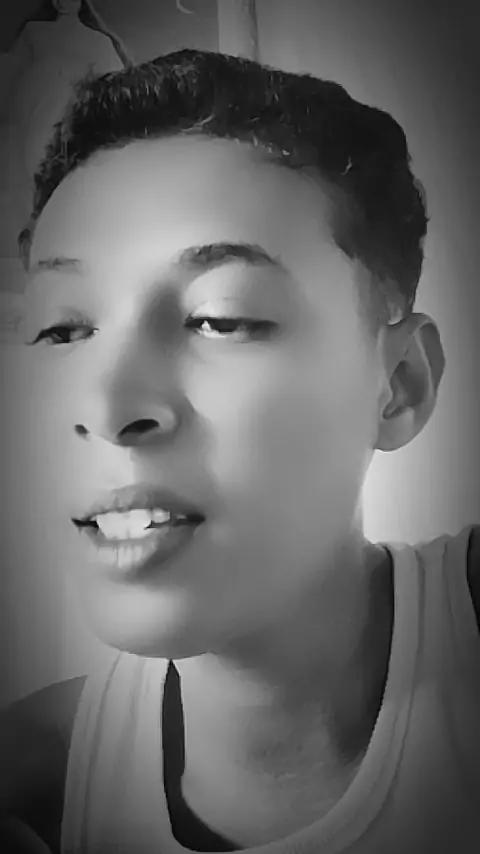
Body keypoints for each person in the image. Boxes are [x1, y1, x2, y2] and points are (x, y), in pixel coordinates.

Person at [1, 49, 480, 854]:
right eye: (62, 328)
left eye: (220, 319)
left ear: (398, 384)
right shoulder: (34, 781)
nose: (107, 408)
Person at [0, 0, 132, 257]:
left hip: (71, 119)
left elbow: (114, 86)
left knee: (62, 177)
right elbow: (9, 71)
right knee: (26, 176)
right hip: (31, 114)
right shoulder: (35, 32)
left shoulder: (97, 41)